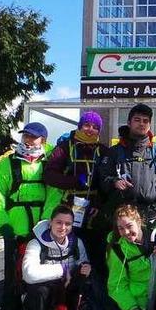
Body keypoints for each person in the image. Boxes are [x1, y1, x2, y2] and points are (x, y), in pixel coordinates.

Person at [0, 122, 58, 310]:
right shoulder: (7, 163)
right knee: (13, 277)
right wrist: (3, 223)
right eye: (26, 136)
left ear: (43, 140)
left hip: (42, 231)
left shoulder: (50, 163)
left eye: (34, 137)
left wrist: (46, 223)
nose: (29, 140)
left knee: (41, 276)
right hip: (15, 229)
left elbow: (54, 194)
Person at [43, 111, 109, 274]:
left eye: (95, 127)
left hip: (94, 210)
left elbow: (108, 181)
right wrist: (74, 181)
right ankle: (70, 290)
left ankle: (93, 294)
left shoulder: (103, 150)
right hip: (69, 208)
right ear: (79, 126)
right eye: (86, 125)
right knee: (71, 251)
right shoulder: (65, 148)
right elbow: (49, 175)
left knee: (96, 254)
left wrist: (100, 204)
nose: (90, 130)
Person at [22, 205, 92, 310]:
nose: (63, 227)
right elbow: (29, 274)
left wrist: (86, 268)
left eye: (68, 224)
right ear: (50, 223)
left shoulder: (76, 243)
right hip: (46, 290)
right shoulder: (36, 243)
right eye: (59, 222)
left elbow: (82, 262)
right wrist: (62, 269)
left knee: (87, 284)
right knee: (39, 290)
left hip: (67, 288)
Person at [98, 104, 156, 225]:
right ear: (129, 122)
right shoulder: (114, 152)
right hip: (121, 215)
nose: (141, 124)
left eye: (145, 121)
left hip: (151, 215)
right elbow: (102, 179)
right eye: (137, 120)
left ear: (149, 125)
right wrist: (114, 182)